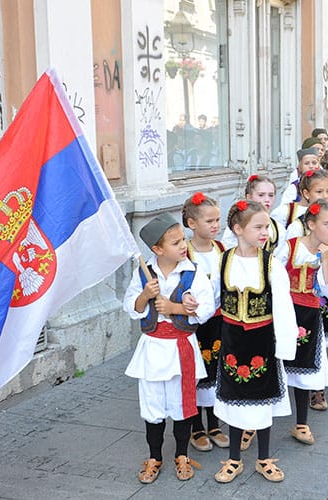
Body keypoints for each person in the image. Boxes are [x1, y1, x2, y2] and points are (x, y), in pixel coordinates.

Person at [123, 213, 216, 484]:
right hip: (153, 349)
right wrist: (145, 296)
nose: (183, 246)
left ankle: (182, 454)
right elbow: (131, 308)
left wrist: (175, 308)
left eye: (183, 240)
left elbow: (206, 308)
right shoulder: (143, 273)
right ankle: (155, 456)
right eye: (175, 243)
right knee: (152, 405)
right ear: (157, 250)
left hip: (181, 347)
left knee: (181, 404)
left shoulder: (193, 272)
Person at [212, 200, 298, 484]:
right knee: (235, 400)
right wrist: (191, 305)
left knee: (262, 401)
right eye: (258, 227)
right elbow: (212, 297)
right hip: (232, 341)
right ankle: (234, 459)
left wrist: (284, 347)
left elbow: (284, 307)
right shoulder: (223, 260)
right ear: (238, 229)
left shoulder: (271, 264)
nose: (265, 232)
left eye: (266, 227)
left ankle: (263, 458)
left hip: (262, 342)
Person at [274, 200, 328, 445]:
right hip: (286, 312)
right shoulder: (289, 247)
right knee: (277, 364)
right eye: (327, 224)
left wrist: (325, 260)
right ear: (311, 224)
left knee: (304, 369)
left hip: (310, 314)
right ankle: (255, 425)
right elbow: (273, 276)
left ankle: (301, 423)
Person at [182, 193, 230, 453]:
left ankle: (214, 423)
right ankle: (195, 426)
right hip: (194, 323)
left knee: (216, 370)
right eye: (209, 221)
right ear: (192, 223)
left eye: (218, 220)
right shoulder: (184, 252)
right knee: (196, 371)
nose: (215, 225)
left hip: (219, 319)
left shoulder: (222, 249)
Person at [222, 175, 280, 254]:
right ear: (249, 197)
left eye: (271, 195)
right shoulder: (237, 226)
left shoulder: (278, 228)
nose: (267, 199)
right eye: (261, 195)